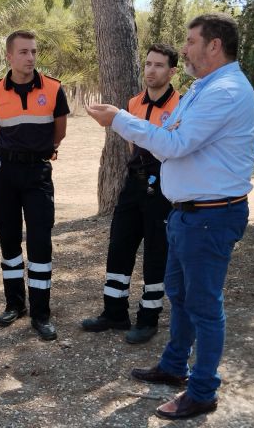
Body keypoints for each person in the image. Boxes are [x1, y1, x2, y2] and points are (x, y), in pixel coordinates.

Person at [86, 13, 254, 420]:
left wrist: (119, 120)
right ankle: (174, 366)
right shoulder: (205, 88)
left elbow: (175, 143)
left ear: (213, 45)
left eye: (191, 41)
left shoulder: (226, 91)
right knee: (179, 298)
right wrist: (132, 125)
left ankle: (202, 391)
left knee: (203, 306)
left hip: (209, 217)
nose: (184, 49)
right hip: (188, 215)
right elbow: (168, 145)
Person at [82, 44, 180, 344]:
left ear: (172, 71)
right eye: (148, 64)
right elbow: (130, 142)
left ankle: (148, 319)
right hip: (132, 183)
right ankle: (114, 313)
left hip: (162, 187)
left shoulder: (181, 105)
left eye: (159, 65)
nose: (151, 70)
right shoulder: (133, 103)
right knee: (119, 245)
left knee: (155, 252)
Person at [0, 30, 70, 341]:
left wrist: (36, 153)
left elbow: (58, 133)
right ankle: (14, 304)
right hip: (5, 173)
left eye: (33, 51)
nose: (30, 57)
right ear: (9, 57)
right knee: (8, 240)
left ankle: (41, 313)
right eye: (23, 52)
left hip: (37, 175)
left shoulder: (54, 89)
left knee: (40, 242)